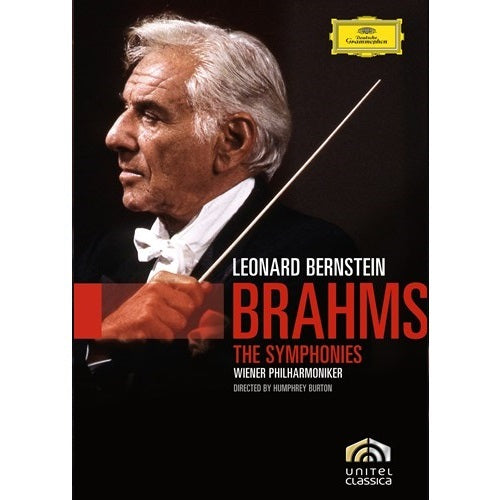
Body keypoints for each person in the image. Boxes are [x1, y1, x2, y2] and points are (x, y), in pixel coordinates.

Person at [74, 12, 356, 397]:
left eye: (150, 115)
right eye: (126, 109)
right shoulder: (107, 252)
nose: (114, 137)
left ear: (232, 140)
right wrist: (101, 339)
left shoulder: (316, 256)